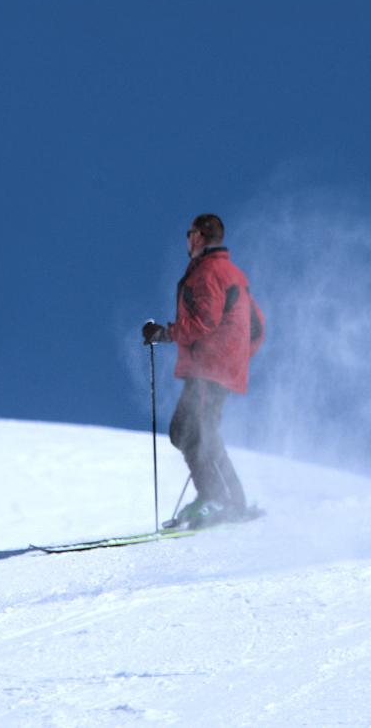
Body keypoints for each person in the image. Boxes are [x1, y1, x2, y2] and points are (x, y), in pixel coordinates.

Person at [143, 213, 265, 528]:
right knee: (197, 431)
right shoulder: (232, 273)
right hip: (219, 368)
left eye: (189, 234)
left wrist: (163, 333)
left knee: (190, 431)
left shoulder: (209, 272)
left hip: (209, 368)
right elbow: (257, 327)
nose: (187, 241)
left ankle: (217, 500)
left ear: (198, 236)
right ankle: (227, 500)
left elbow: (204, 322)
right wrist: (236, 360)